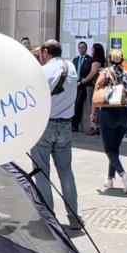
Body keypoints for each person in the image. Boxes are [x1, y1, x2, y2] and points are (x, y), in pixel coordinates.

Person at [30, 39, 82, 230]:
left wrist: (31, 56)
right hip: (65, 126)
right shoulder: (71, 68)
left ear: (45, 52)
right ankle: (75, 217)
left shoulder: (43, 72)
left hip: (45, 125)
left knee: (42, 172)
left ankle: (48, 217)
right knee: (66, 173)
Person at [91, 49, 127, 194]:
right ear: (122, 60)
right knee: (115, 148)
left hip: (108, 113)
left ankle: (123, 174)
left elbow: (96, 92)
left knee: (108, 149)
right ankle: (110, 179)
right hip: (124, 114)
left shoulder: (105, 73)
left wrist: (93, 112)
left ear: (110, 60)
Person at [83, 44, 106, 136]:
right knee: (95, 106)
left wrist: (83, 81)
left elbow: (92, 73)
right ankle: (96, 127)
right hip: (94, 85)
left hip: (92, 85)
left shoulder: (96, 61)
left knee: (92, 106)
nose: (91, 50)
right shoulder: (100, 60)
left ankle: (94, 127)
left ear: (95, 50)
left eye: (92, 49)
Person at [71, 41, 93, 132]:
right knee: (72, 104)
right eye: (79, 47)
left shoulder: (89, 59)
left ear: (86, 49)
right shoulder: (75, 59)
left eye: (83, 47)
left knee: (78, 104)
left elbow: (88, 72)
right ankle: (72, 123)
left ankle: (75, 125)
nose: (81, 49)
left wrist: (81, 82)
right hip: (74, 84)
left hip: (84, 85)